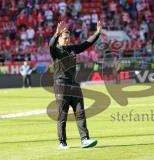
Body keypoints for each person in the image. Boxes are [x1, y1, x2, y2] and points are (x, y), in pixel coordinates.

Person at [49, 21, 102, 149]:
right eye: (64, 38)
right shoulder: (56, 51)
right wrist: (56, 34)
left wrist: (98, 33)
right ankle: (62, 142)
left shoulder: (73, 49)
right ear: (59, 39)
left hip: (74, 84)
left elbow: (87, 43)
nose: (67, 40)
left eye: (68, 38)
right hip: (61, 85)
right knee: (63, 115)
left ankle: (84, 139)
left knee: (80, 112)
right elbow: (50, 45)